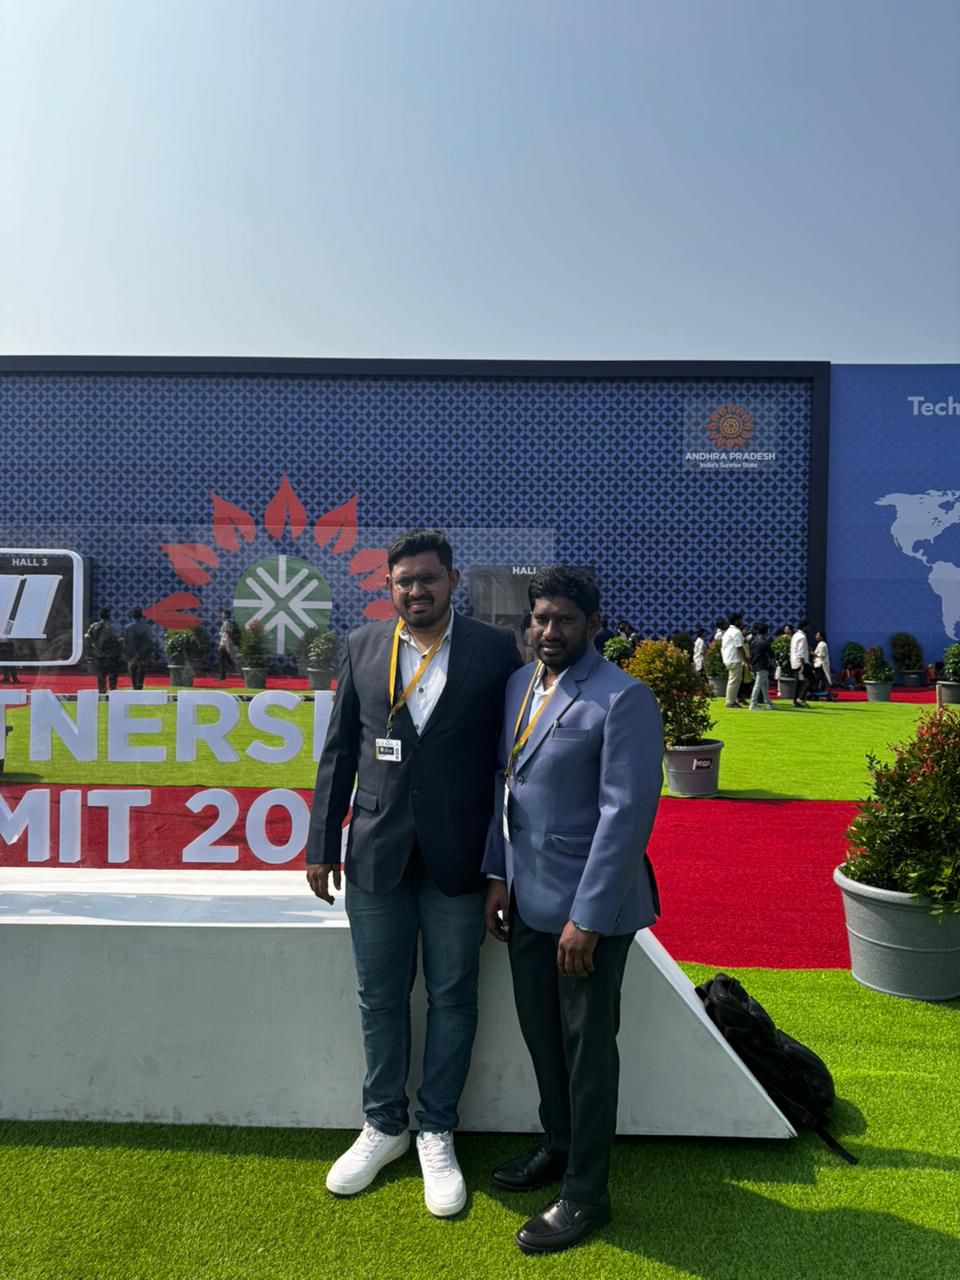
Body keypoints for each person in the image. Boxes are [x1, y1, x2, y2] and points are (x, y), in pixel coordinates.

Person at [305, 528, 520, 1217]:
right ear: (389, 587)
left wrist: (501, 866)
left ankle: (435, 1129)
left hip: (458, 857)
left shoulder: (494, 651)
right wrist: (320, 843)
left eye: (428, 579)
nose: (416, 591)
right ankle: (383, 1125)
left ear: (452, 580)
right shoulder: (364, 646)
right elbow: (340, 750)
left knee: (453, 996)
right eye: (404, 582)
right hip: (377, 853)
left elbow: (509, 765)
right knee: (379, 996)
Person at [483, 567, 663, 1255]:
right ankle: (557, 1146)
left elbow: (626, 815)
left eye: (563, 619)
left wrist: (586, 918)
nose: (549, 631)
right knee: (542, 1038)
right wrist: (497, 874)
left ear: (592, 623)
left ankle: (586, 1193)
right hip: (524, 900)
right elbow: (505, 787)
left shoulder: (623, 698)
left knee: (587, 1056)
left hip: (588, 915)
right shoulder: (518, 685)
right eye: (540, 619)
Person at [85, 608, 122, 694]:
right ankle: (113, 693)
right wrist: (120, 652)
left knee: (101, 676)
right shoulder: (114, 627)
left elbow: (87, 637)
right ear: (109, 616)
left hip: (99, 655)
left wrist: (92, 648)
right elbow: (120, 640)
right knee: (113, 677)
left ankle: (102, 693)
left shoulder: (94, 626)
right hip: (113, 656)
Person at [721, 612, 748, 708]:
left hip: (729, 658)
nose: (741, 621)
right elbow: (740, 647)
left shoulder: (728, 631)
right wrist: (746, 659)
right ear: (736, 621)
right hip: (734, 659)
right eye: (740, 620)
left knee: (733, 680)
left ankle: (732, 700)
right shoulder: (736, 632)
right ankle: (730, 702)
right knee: (734, 681)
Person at [123, 607, 154, 690]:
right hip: (143, 654)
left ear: (132, 616)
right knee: (141, 672)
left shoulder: (128, 627)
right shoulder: (147, 627)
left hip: (132, 654)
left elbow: (125, 641)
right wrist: (150, 653)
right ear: (142, 616)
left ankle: (135, 687)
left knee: (133, 672)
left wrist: (125, 653)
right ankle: (139, 687)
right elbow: (150, 641)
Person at [748, 622, 774, 709]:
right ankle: (753, 703)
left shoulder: (753, 641)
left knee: (764, 684)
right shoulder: (765, 642)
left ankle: (768, 702)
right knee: (758, 684)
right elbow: (771, 654)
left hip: (756, 664)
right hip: (762, 665)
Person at [790, 619, 812, 707]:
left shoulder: (795, 635)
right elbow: (801, 652)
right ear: (804, 627)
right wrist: (802, 664)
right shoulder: (802, 637)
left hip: (794, 661)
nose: (809, 628)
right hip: (801, 662)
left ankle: (795, 701)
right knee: (811, 679)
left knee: (798, 682)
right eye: (808, 626)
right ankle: (801, 698)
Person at [812, 630, 836, 699]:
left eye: (817, 635)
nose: (816, 636)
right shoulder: (820, 644)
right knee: (822, 678)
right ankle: (824, 691)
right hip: (819, 664)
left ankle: (822, 692)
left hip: (821, 665)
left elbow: (821, 655)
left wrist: (811, 653)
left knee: (819, 678)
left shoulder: (822, 644)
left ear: (821, 637)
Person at [218, 608, 241, 680]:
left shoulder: (227, 623)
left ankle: (224, 676)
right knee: (226, 659)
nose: (221, 615)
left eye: (223, 614)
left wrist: (224, 645)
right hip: (226, 644)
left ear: (226, 615)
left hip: (225, 644)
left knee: (222, 660)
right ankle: (225, 675)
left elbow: (227, 635)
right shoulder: (227, 623)